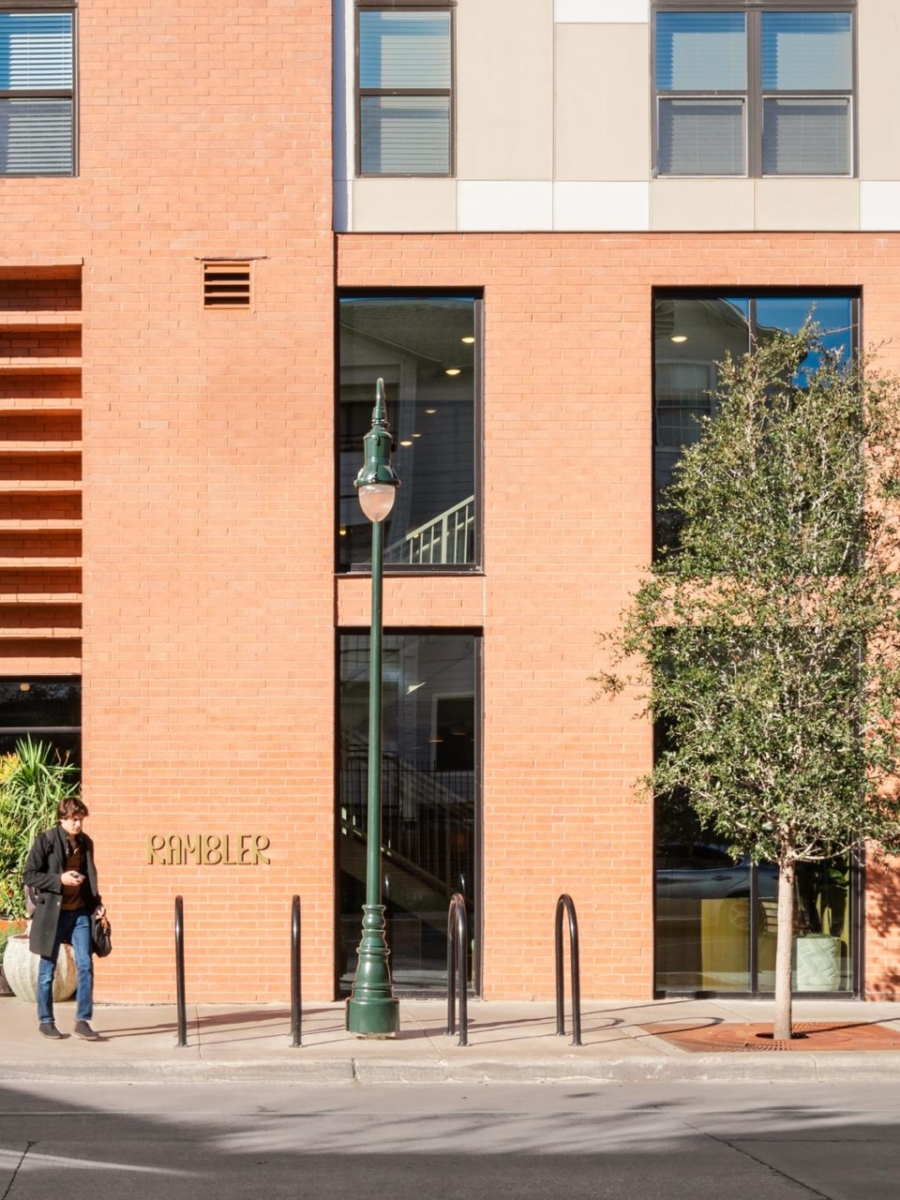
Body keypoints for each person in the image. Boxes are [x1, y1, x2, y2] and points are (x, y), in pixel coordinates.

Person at [24, 797, 104, 1040]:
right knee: (47, 969)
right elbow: (30, 875)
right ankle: (46, 1021)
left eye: (80, 819)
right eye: (74, 819)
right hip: (53, 914)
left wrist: (97, 905)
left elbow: (90, 879)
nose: (78, 824)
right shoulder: (46, 840)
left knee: (86, 965)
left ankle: (83, 1021)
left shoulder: (85, 843)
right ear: (62, 819)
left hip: (79, 912)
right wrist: (59, 879)